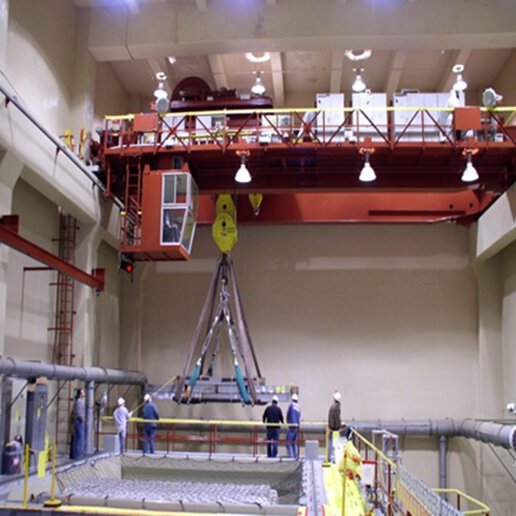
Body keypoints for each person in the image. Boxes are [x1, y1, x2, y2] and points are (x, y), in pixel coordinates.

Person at [70, 388, 85, 460]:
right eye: (83, 392)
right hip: (78, 422)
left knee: (77, 438)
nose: (84, 393)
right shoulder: (79, 402)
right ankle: (78, 455)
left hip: (78, 421)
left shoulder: (79, 401)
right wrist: (82, 419)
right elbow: (79, 413)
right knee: (79, 439)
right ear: (80, 394)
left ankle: (77, 454)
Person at [327, 391, 342, 462]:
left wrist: (330, 428)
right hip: (336, 428)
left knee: (331, 444)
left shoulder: (333, 407)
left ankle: (330, 459)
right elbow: (338, 418)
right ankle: (336, 459)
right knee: (336, 445)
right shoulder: (338, 407)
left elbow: (331, 418)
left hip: (333, 429)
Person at [285, 393, 301, 459]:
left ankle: (290, 457)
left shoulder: (291, 405)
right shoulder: (299, 407)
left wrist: (287, 422)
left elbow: (288, 414)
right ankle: (295, 456)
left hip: (292, 425)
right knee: (294, 442)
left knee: (288, 442)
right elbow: (299, 416)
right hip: (297, 426)